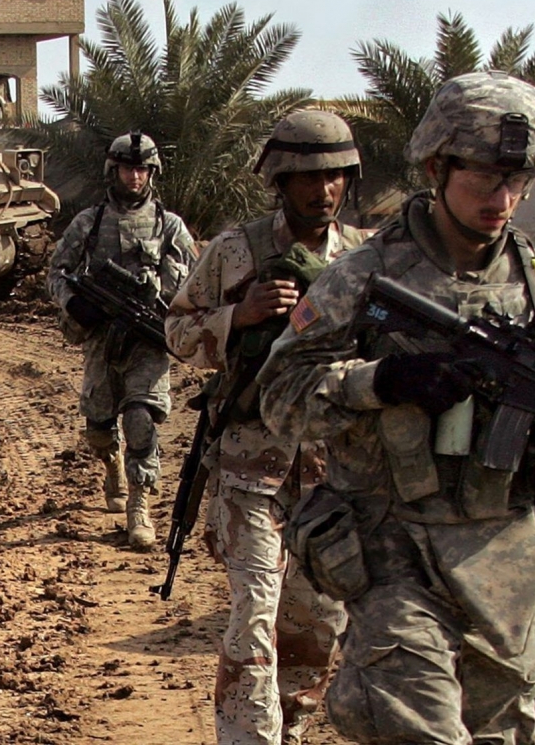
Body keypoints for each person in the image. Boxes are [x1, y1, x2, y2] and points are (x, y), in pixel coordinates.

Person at [256, 72, 535, 745]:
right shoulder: (366, 276)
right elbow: (281, 395)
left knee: (501, 731)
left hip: (506, 560)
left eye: (517, 182)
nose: (502, 199)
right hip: (392, 546)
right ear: (437, 167)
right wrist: (382, 381)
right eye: (484, 179)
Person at [166, 109, 367, 745]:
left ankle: (291, 730)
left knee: (317, 625)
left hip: (336, 473)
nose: (323, 189)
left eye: (335, 176)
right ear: (279, 181)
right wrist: (236, 316)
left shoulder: (366, 258)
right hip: (253, 469)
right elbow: (176, 330)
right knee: (254, 617)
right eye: (308, 176)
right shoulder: (235, 251)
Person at [47, 132, 197, 550]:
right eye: (129, 168)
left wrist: (169, 293)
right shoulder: (89, 223)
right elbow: (57, 272)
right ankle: (110, 462)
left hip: (147, 339)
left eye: (143, 169)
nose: (136, 177)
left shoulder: (170, 226)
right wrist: (74, 302)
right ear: (113, 171)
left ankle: (139, 508)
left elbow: (199, 281)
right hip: (101, 338)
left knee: (141, 419)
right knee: (98, 426)